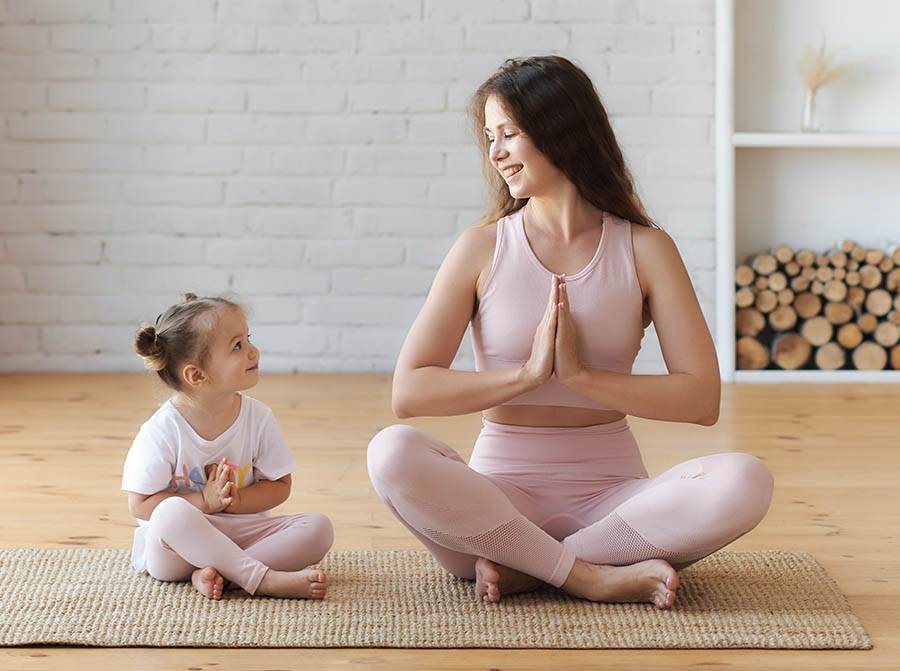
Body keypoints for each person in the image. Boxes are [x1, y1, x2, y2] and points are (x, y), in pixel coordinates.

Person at [367, 56, 773, 609]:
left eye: (509, 134)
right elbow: (408, 392)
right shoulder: (481, 248)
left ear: (559, 128)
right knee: (391, 452)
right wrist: (528, 375)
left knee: (747, 479)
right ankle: (588, 576)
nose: (495, 153)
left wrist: (582, 377)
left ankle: (536, 569)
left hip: (614, 506)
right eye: (490, 137)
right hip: (494, 514)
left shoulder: (646, 249)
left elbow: (701, 399)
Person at [123, 293, 333, 600]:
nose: (253, 351)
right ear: (197, 375)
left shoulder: (258, 418)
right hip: (177, 548)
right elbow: (140, 505)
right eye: (238, 346)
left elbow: (280, 486)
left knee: (319, 528)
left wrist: (237, 502)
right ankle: (261, 580)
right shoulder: (162, 431)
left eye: (248, 339)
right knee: (170, 513)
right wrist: (204, 502)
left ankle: (219, 575)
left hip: (241, 535)